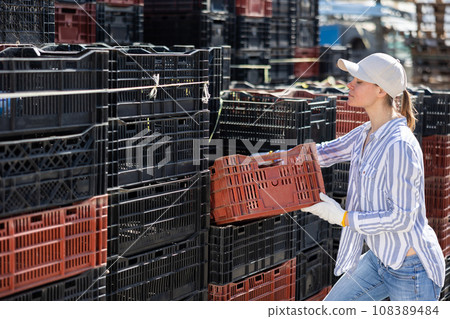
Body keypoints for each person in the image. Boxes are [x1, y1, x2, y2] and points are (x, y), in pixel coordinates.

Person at [301, 53, 445, 301]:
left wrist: (343, 218)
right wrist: (269, 159)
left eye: (358, 81)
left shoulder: (399, 145)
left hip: (411, 269)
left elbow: (402, 218)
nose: (349, 85)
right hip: (380, 259)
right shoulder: (364, 134)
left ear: (380, 90)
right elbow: (320, 154)